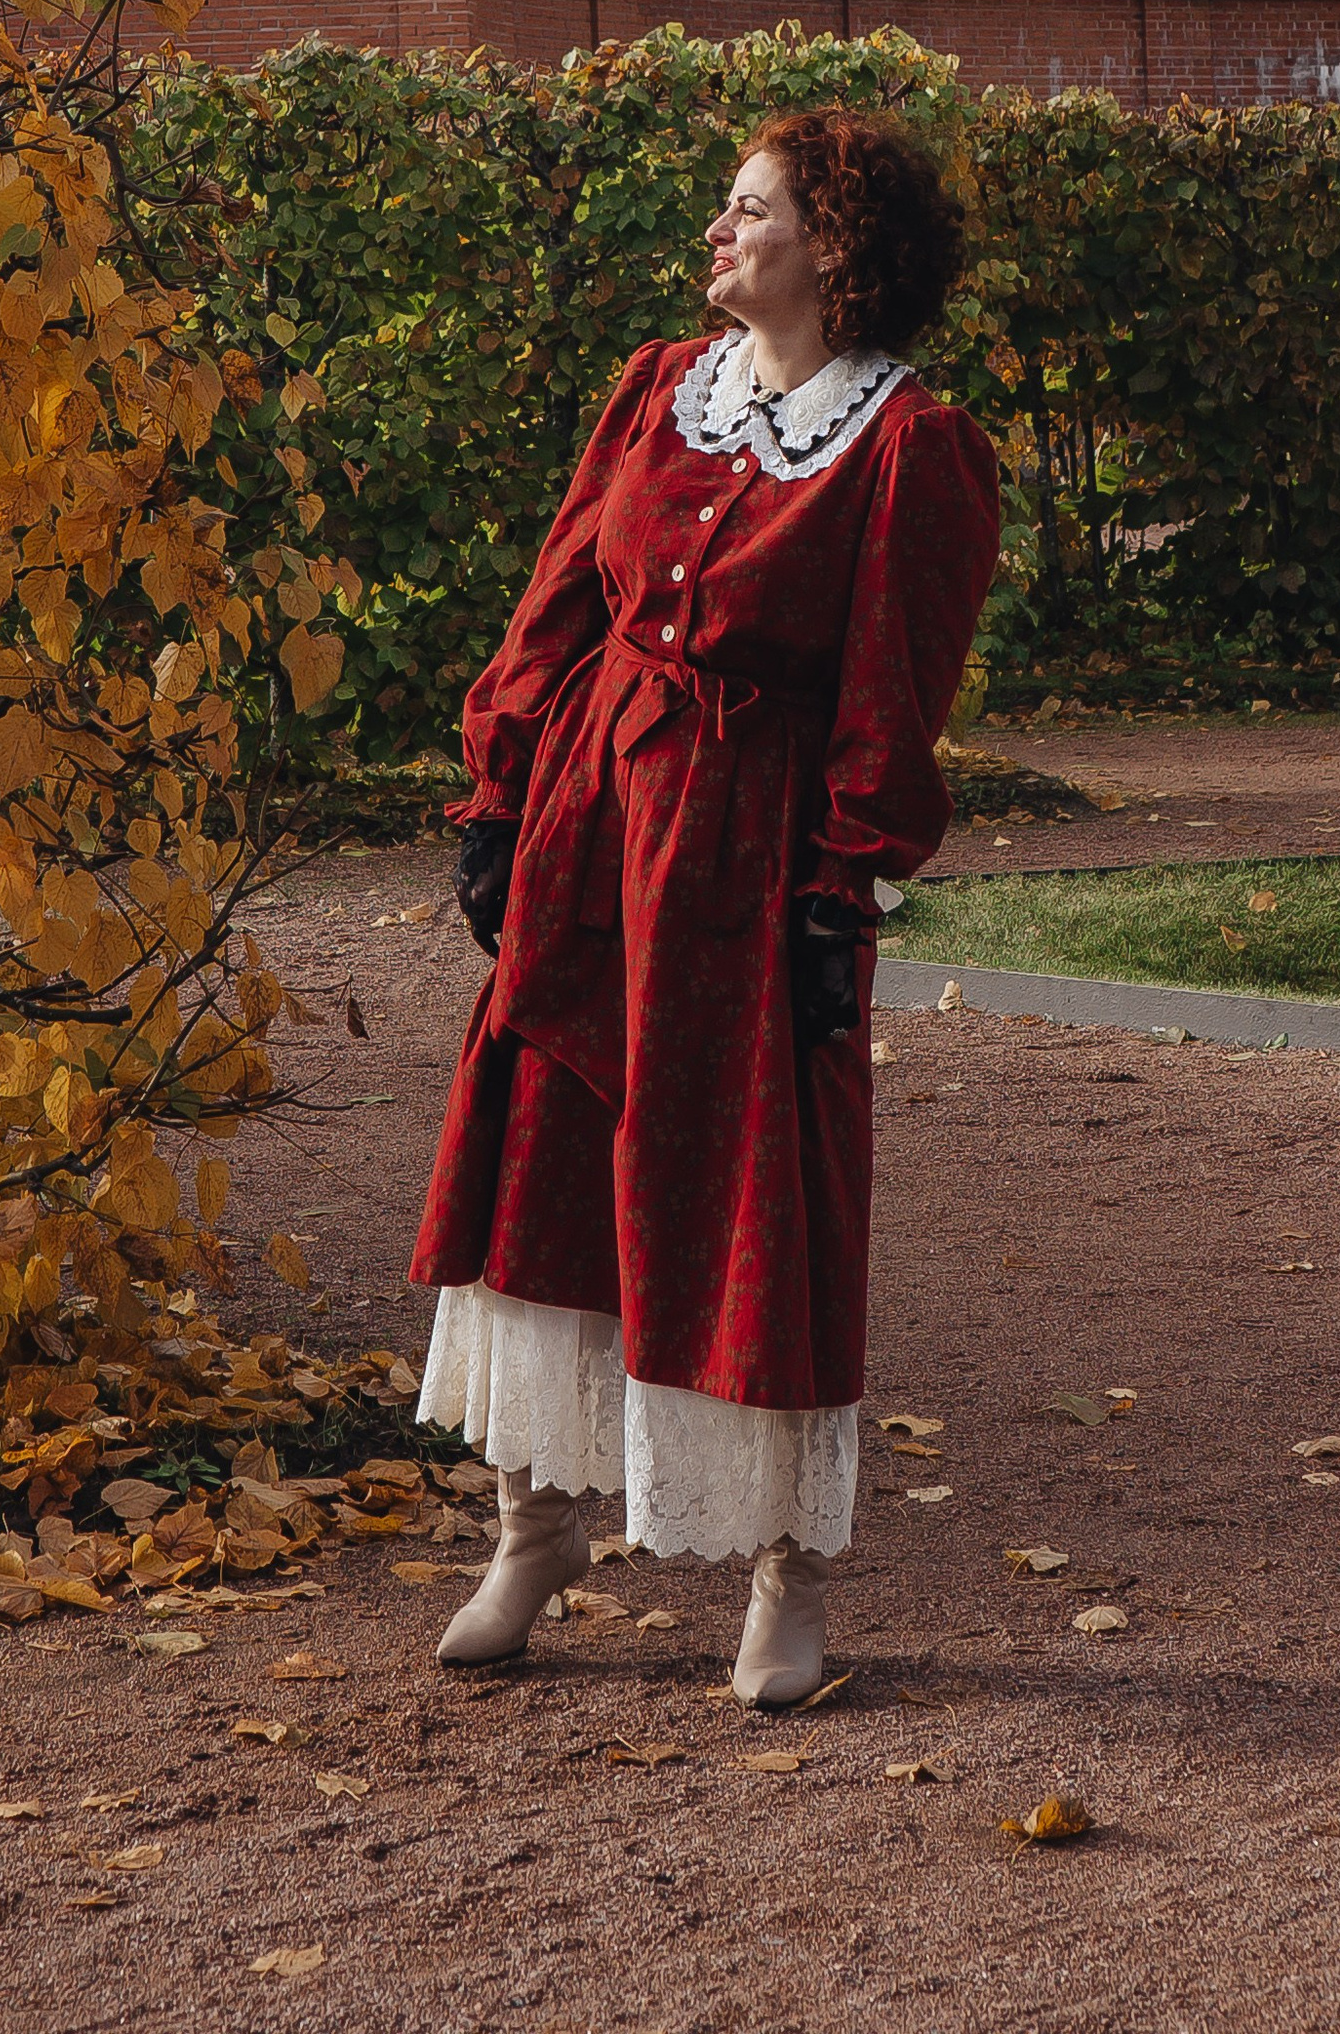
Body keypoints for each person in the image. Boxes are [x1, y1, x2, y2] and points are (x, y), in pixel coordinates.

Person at [410, 107, 1002, 1707]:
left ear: (835, 248)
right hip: (595, 827)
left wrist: (841, 888)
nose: (719, 234)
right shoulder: (661, 390)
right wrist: (500, 791)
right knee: (544, 1155)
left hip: (752, 865)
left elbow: (892, 688)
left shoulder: (904, 447)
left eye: (750, 212)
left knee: (761, 1202)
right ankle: (532, 1528)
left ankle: (785, 1580)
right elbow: (559, 601)